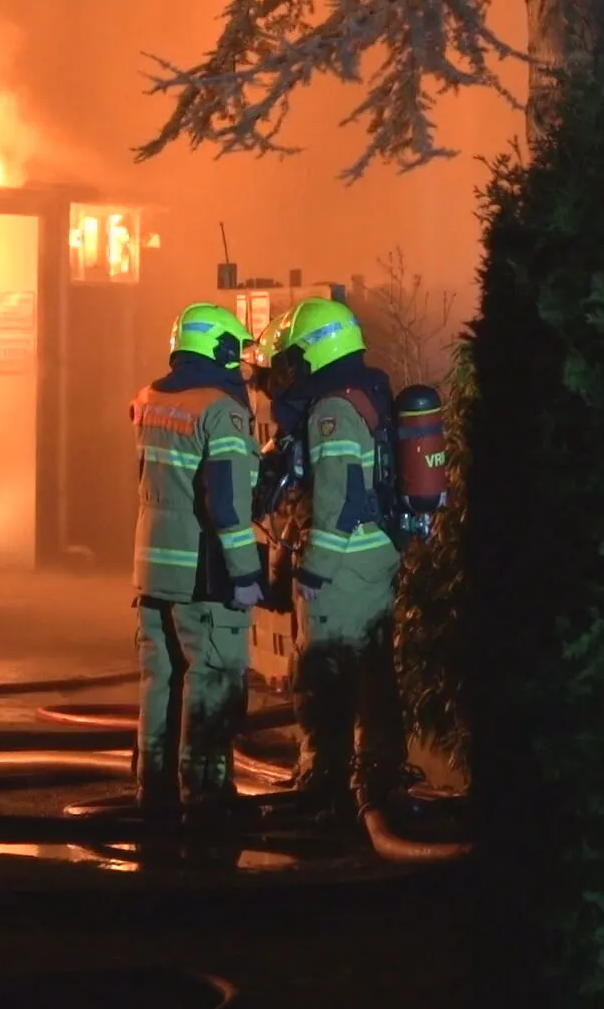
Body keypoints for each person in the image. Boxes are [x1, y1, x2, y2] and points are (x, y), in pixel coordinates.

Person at [251, 297, 406, 821]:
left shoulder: (332, 411)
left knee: (324, 674)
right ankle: (379, 781)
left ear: (313, 355)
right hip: (374, 557)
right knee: (372, 671)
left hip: (341, 567)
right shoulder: (366, 392)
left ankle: (324, 788)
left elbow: (337, 498)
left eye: (290, 361)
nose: (283, 375)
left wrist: (312, 567)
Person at [128, 302, 263, 817]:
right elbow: (227, 505)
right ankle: (206, 795)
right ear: (219, 349)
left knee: (159, 680)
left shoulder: (150, 399)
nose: (241, 366)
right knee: (213, 678)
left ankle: (154, 787)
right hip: (203, 574)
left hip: (151, 568)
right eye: (237, 354)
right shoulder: (220, 409)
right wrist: (247, 573)